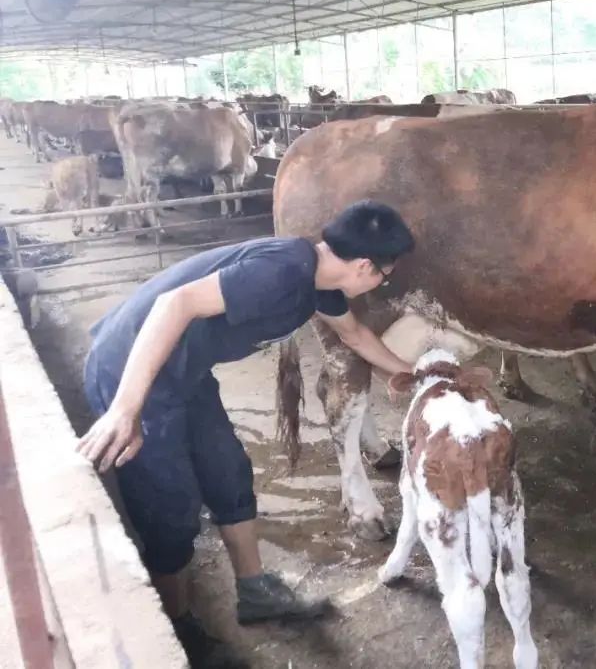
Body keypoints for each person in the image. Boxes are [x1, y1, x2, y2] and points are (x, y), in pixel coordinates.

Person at [77, 200, 415, 666]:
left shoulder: (317, 283)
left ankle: (255, 592)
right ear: (363, 266)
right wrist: (125, 407)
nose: (382, 283)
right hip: (131, 371)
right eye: (385, 275)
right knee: (171, 509)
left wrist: (417, 375)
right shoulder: (281, 273)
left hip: (186, 374)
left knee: (229, 475)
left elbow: (356, 335)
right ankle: (178, 629)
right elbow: (173, 303)